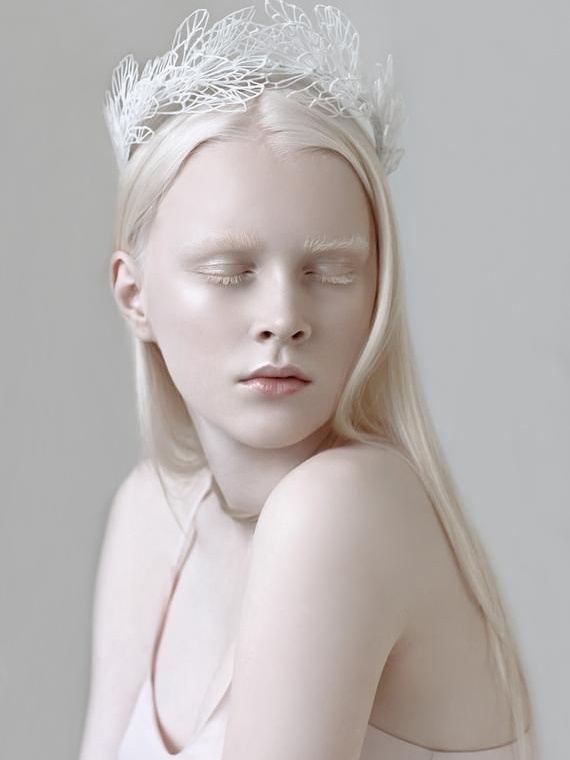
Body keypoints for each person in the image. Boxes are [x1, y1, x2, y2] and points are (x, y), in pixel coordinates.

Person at [79, 3, 536, 759]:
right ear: (135, 296)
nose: (283, 318)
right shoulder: (153, 513)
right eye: (229, 271)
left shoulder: (342, 508)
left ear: (378, 289)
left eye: (329, 271)